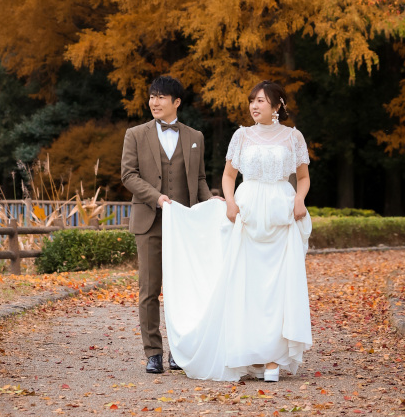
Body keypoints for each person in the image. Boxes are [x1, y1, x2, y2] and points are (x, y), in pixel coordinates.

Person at [161, 80, 313, 382]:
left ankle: (273, 359)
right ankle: (247, 352)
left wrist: (299, 199)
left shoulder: (293, 137)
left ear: (276, 106)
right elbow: (229, 176)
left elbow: (304, 176)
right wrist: (230, 202)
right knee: (247, 286)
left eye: (260, 101)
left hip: (281, 214)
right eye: (252, 101)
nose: (254, 106)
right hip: (247, 214)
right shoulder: (242, 135)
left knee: (278, 288)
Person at [120, 74, 212, 374]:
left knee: (182, 290)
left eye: (161, 97)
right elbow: (128, 175)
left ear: (177, 102)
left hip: (184, 225)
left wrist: (211, 205)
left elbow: (199, 179)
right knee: (149, 289)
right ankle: (153, 353)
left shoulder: (195, 137)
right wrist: (156, 197)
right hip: (150, 222)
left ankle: (178, 351)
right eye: (152, 96)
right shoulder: (135, 134)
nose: (154, 102)